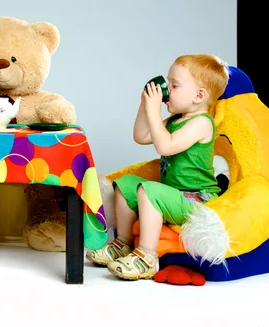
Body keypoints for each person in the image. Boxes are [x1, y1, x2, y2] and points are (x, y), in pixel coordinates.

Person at [86, 54, 229, 281]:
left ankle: (147, 257)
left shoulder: (202, 123)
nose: (167, 89)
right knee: (126, 184)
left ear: (199, 96)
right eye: (168, 83)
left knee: (149, 191)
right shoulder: (174, 120)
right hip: (173, 195)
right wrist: (146, 106)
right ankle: (123, 243)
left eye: (175, 85)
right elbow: (141, 136)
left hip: (195, 200)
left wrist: (155, 111)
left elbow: (166, 146)